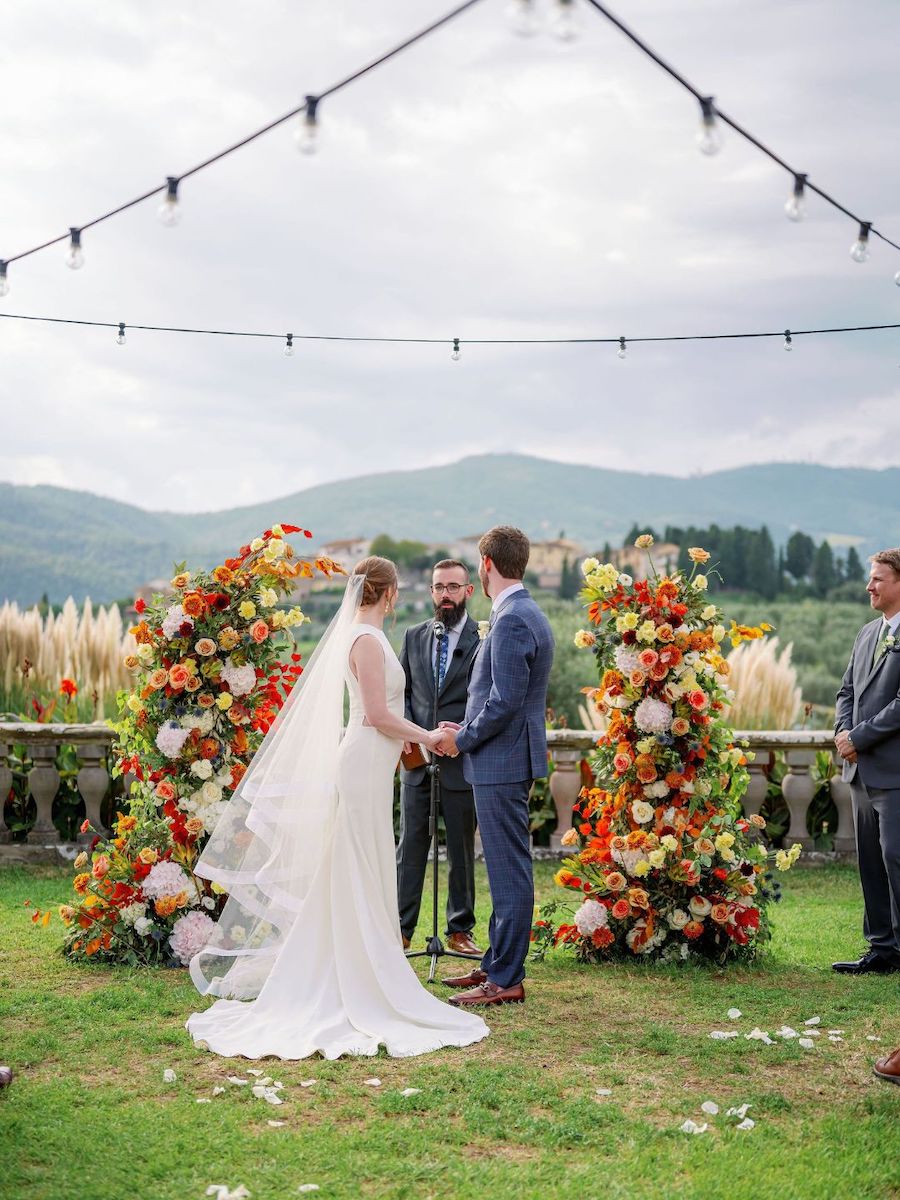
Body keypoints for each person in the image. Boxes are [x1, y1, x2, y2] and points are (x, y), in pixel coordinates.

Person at [185, 557, 489, 1059]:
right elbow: (375, 715)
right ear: (388, 594)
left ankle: (361, 958)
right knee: (357, 862)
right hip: (365, 761)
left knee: (360, 861)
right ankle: (357, 971)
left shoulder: (362, 635)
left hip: (371, 765)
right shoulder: (367, 641)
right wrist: (429, 737)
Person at [436, 526, 554, 1007]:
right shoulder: (522, 613)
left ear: (485, 565)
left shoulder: (511, 620)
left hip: (501, 762)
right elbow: (502, 696)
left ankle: (505, 978)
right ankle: (494, 964)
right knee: (506, 868)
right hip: (503, 758)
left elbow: (505, 701)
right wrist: (461, 721)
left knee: (508, 871)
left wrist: (460, 739)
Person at [397, 560, 482, 957]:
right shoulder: (414, 636)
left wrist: (455, 737)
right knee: (410, 848)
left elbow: (486, 700)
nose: (445, 594)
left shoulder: (484, 639)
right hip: (417, 763)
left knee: (462, 851)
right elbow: (403, 696)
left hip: (462, 761)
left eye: (453, 586)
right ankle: (400, 929)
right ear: (431, 592)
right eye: (438, 587)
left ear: (468, 590)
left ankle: (459, 929)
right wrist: (419, 740)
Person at [833, 548, 900, 976]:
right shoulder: (865, 634)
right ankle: (882, 951)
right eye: (870, 578)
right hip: (859, 772)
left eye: (877, 579)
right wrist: (843, 733)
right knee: (871, 864)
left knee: (897, 859)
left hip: (895, 773)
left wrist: (858, 736)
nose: (869, 586)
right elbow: (846, 691)